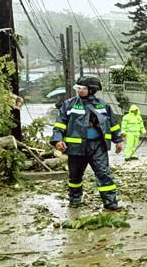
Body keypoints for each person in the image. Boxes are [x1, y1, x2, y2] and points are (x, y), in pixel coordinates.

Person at [51, 75, 124, 209]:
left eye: (82, 88)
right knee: (75, 176)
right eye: (78, 88)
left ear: (91, 89)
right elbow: (60, 124)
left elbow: (113, 125)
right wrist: (57, 139)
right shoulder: (69, 104)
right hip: (76, 148)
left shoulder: (103, 105)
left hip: (98, 146)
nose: (79, 91)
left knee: (104, 174)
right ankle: (75, 200)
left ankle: (111, 203)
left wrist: (118, 141)